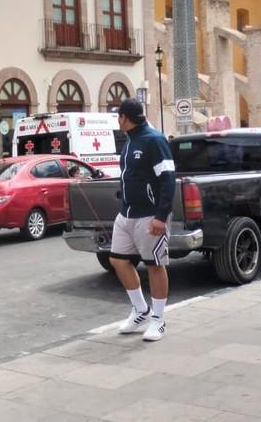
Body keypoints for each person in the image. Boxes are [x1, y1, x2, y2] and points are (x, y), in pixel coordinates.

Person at [108, 98, 175, 342]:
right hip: (125, 214)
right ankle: (141, 310)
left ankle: (158, 319)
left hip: (149, 215)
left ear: (125, 117)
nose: (118, 121)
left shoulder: (154, 140)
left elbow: (168, 179)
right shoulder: (130, 142)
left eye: (119, 116)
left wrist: (160, 216)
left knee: (155, 265)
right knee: (117, 260)